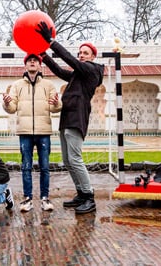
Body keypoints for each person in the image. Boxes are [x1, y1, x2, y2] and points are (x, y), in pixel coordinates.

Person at [35, 21, 104, 214]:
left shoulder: (91, 71)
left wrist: (50, 41)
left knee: (75, 159)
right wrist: (43, 54)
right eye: (80, 53)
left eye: (85, 53)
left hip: (77, 120)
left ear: (92, 57)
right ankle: (81, 193)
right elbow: (59, 71)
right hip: (66, 119)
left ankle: (89, 196)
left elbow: (71, 62)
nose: (81, 55)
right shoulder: (77, 75)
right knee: (67, 160)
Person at [3, 53, 62, 212]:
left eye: (35, 60)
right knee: (26, 167)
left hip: (44, 131)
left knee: (44, 167)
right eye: (30, 60)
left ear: (40, 65)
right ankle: (27, 199)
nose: (32, 62)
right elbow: (12, 108)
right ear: (26, 65)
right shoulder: (16, 85)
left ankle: (45, 198)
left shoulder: (48, 85)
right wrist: (7, 103)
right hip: (25, 132)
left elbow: (55, 107)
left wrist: (57, 103)